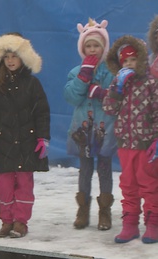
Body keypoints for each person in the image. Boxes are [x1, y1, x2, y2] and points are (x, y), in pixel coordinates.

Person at [0, 32, 50, 238]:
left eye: (15, 56)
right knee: (3, 186)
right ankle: (6, 220)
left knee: (24, 185)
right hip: (2, 145)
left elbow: (42, 112)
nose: (10, 61)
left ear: (24, 57)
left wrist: (42, 137)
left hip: (26, 144)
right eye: (7, 57)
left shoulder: (33, 84)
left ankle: (20, 222)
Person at [102, 35, 158, 244]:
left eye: (133, 60)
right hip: (125, 144)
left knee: (150, 184)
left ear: (142, 60)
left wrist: (156, 139)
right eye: (125, 61)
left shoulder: (151, 82)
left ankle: (153, 224)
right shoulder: (119, 84)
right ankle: (130, 224)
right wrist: (117, 88)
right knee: (128, 185)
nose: (129, 64)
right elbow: (108, 108)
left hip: (146, 145)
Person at [64, 18, 116, 231]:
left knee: (105, 169)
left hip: (105, 129)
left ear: (104, 48)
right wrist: (83, 77)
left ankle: (105, 210)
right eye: (89, 45)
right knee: (84, 170)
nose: (93, 49)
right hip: (82, 130)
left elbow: (118, 98)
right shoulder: (76, 71)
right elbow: (71, 97)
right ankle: (83, 209)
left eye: (97, 45)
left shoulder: (112, 71)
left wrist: (104, 94)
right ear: (82, 48)